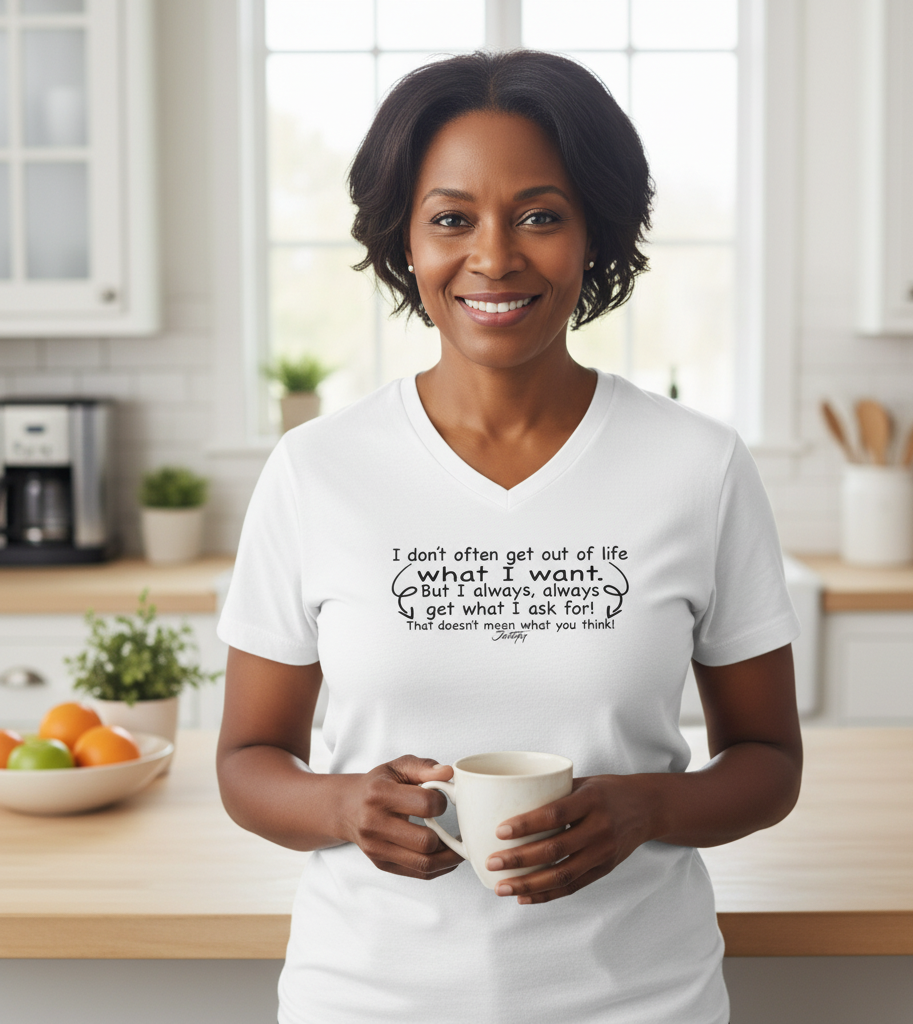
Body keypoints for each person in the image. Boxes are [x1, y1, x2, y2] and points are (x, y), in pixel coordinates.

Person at [216, 49, 802, 1024]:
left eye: (540, 216)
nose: (493, 258)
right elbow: (246, 760)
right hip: (368, 1000)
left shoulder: (696, 465)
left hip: (641, 1001)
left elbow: (769, 761)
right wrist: (342, 806)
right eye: (452, 219)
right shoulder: (317, 469)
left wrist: (648, 806)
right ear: (405, 240)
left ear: (593, 233)